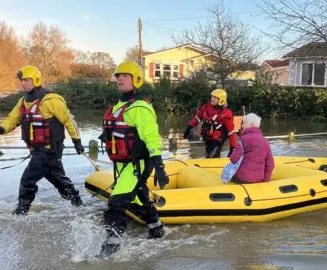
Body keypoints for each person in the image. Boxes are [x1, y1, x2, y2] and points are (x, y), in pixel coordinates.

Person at [98, 61, 169, 257]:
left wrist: (159, 166)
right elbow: (119, 130)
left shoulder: (140, 107)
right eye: (118, 75)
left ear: (136, 80)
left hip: (137, 164)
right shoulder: (118, 106)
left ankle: (109, 253)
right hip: (122, 163)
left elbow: (151, 137)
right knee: (138, 199)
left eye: (125, 76)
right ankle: (157, 229)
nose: (119, 79)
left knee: (116, 203)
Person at [0, 65, 84, 215]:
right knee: (59, 180)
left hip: (49, 150)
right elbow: (12, 120)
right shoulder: (23, 102)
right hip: (38, 151)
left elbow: (69, 121)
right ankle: (78, 204)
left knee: (27, 180)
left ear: (36, 80)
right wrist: (2, 129)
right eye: (21, 80)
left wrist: (77, 141)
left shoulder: (52, 100)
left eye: (26, 80)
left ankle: (20, 213)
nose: (23, 83)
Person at [183, 89, 237, 158]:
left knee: (212, 155)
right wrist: (188, 127)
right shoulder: (205, 107)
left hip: (218, 139)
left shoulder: (226, 114)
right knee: (208, 155)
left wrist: (232, 148)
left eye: (215, 98)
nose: (212, 99)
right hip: (207, 138)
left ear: (221, 100)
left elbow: (231, 132)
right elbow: (197, 118)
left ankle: (216, 163)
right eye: (212, 97)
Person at [229, 113, 274, 184]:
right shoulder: (265, 141)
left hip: (241, 178)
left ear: (249, 124)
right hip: (258, 178)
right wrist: (265, 180)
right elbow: (270, 164)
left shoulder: (243, 139)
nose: (242, 125)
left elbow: (233, 159)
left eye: (244, 123)